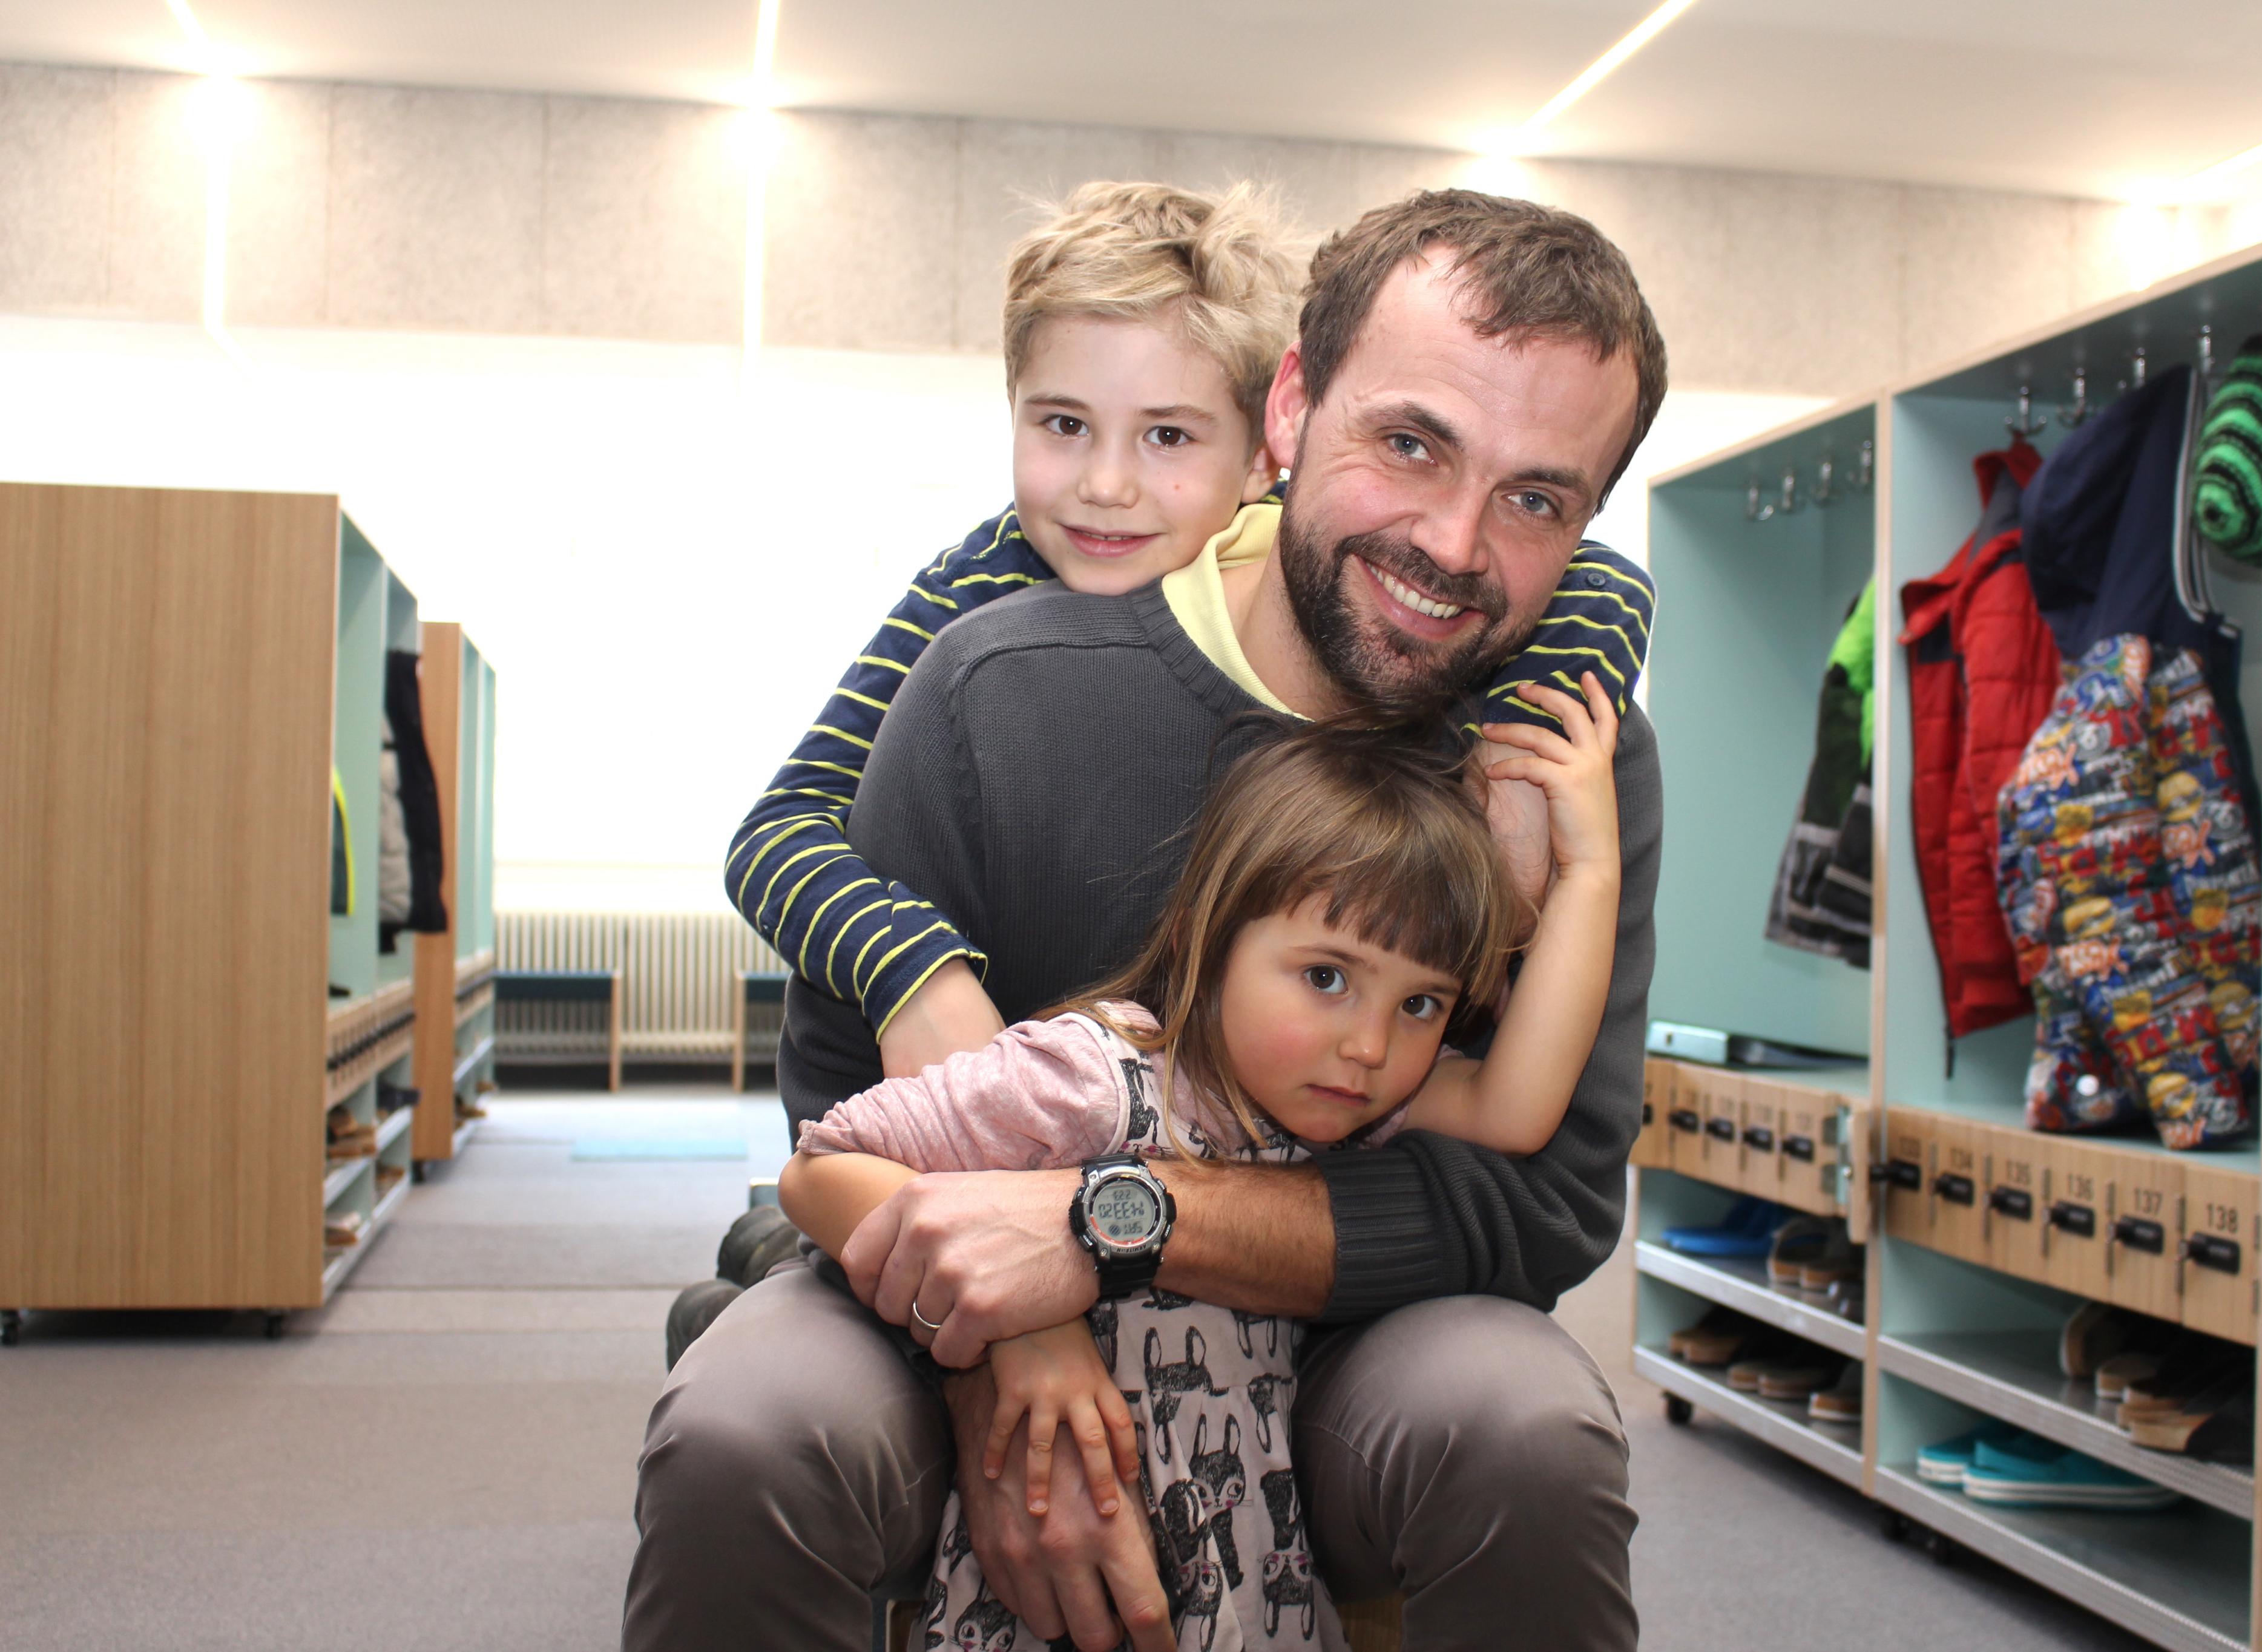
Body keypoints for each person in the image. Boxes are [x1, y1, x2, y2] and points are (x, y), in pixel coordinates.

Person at [628, 188, 1667, 1652]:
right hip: (959, 1290)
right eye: (1410, 444)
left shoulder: (1562, 762)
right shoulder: (990, 668)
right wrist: (998, 1344)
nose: (1452, 540)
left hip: (1352, 1339)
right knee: (747, 1421)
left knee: (1526, 1430)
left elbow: (1534, 1202)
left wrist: (1108, 1227)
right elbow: (844, 1115)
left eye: (1537, 499)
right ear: (1291, 409)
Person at [722, 179, 1652, 1082]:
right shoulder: (981, 597)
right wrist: (911, 973)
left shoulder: (1375, 576)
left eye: (1168, 436)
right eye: (1063, 423)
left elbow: (1607, 581)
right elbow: (780, 827)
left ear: (1260, 453)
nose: (1105, 486)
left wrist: (1521, 770)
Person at [779, 685, 1623, 1651]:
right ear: (1207, 939)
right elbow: (823, 1168)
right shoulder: (1090, 1076)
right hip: (1046, 1592)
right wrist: (1021, 1323)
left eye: (1421, 1004)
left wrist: (1593, 872)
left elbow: (1516, 1107)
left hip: (1245, 1583)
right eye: (1327, 977)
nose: (1370, 1045)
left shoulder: (1348, 1112)